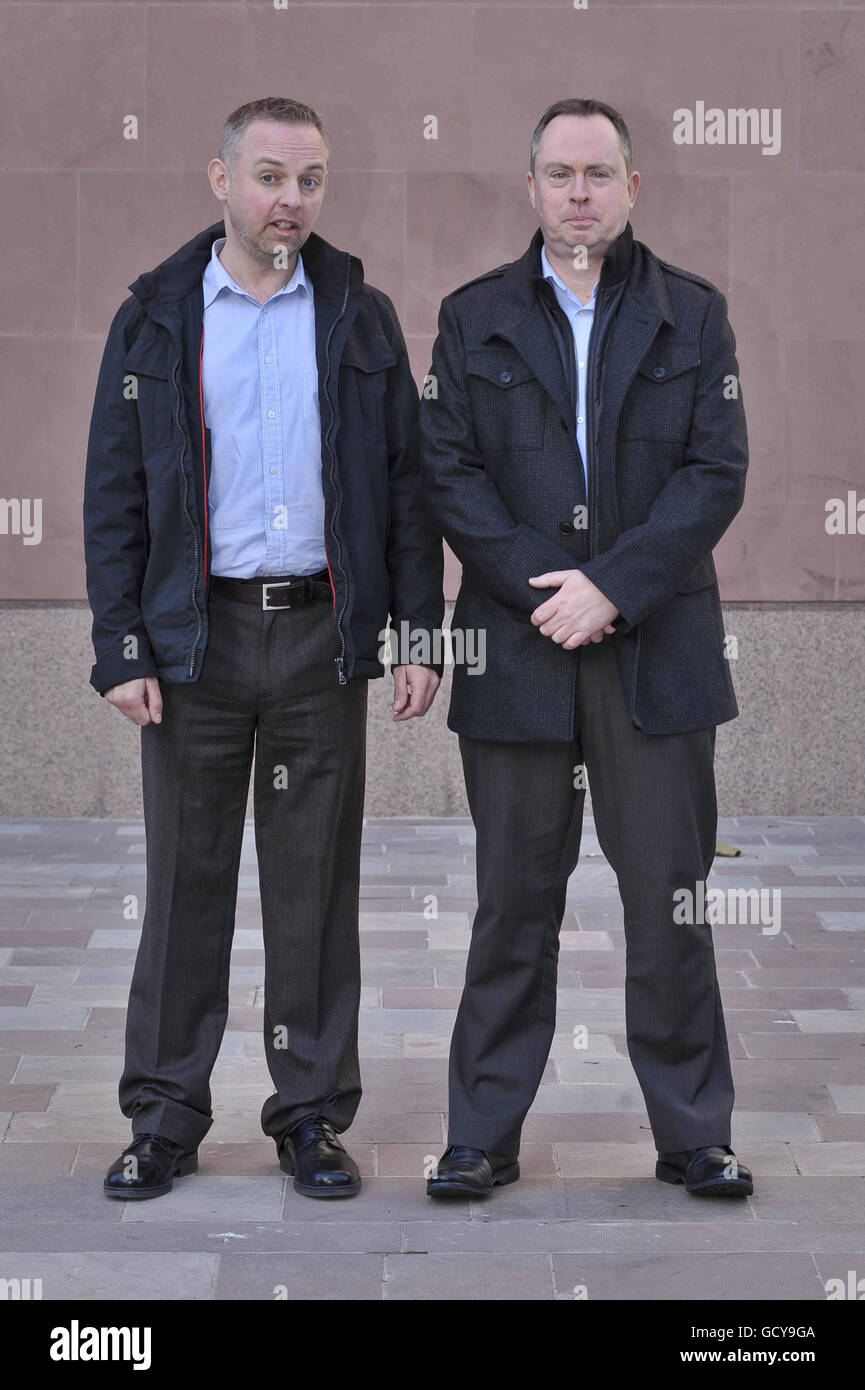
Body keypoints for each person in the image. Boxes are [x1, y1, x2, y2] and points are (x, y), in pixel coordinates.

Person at [84, 96, 443, 1202]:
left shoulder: (358, 314)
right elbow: (113, 495)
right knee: (185, 883)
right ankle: (164, 1116)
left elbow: (404, 488)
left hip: (321, 635)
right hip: (197, 641)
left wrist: (417, 630)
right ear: (220, 179)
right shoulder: (152, 316)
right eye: (271, 177)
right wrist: (122, 643)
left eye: (311, 180)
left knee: (312, 891)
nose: (291, 200)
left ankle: (308, 1118)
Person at [420, 98, 752, 1200]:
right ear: (531, 189)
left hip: (656, 652)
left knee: (670, 901)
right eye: (558, 173)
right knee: (512, 903)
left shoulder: (692, 316)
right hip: (518, 655)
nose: (578, 192)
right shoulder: (471, 318)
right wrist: (542, 591)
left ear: (631, 188)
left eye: (597, 173)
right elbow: (450, 473)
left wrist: (613, 586)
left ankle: (693, 1132)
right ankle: (480, 1134)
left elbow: (714, 472)